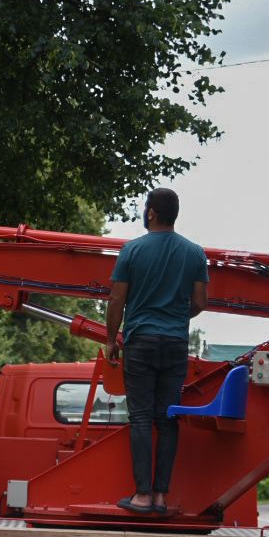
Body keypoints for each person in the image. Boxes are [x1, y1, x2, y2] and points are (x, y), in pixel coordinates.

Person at [104, 187, 209, 516]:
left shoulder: (132, 251)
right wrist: (176, 318)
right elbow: (200, 303)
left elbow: (117, 300)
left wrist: (110, 339)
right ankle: (162, 496)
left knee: (140, 418)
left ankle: (142, 496)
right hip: (175, 343)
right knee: (167, 419)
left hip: (140, 342)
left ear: (151, 212)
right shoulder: (194, 253)